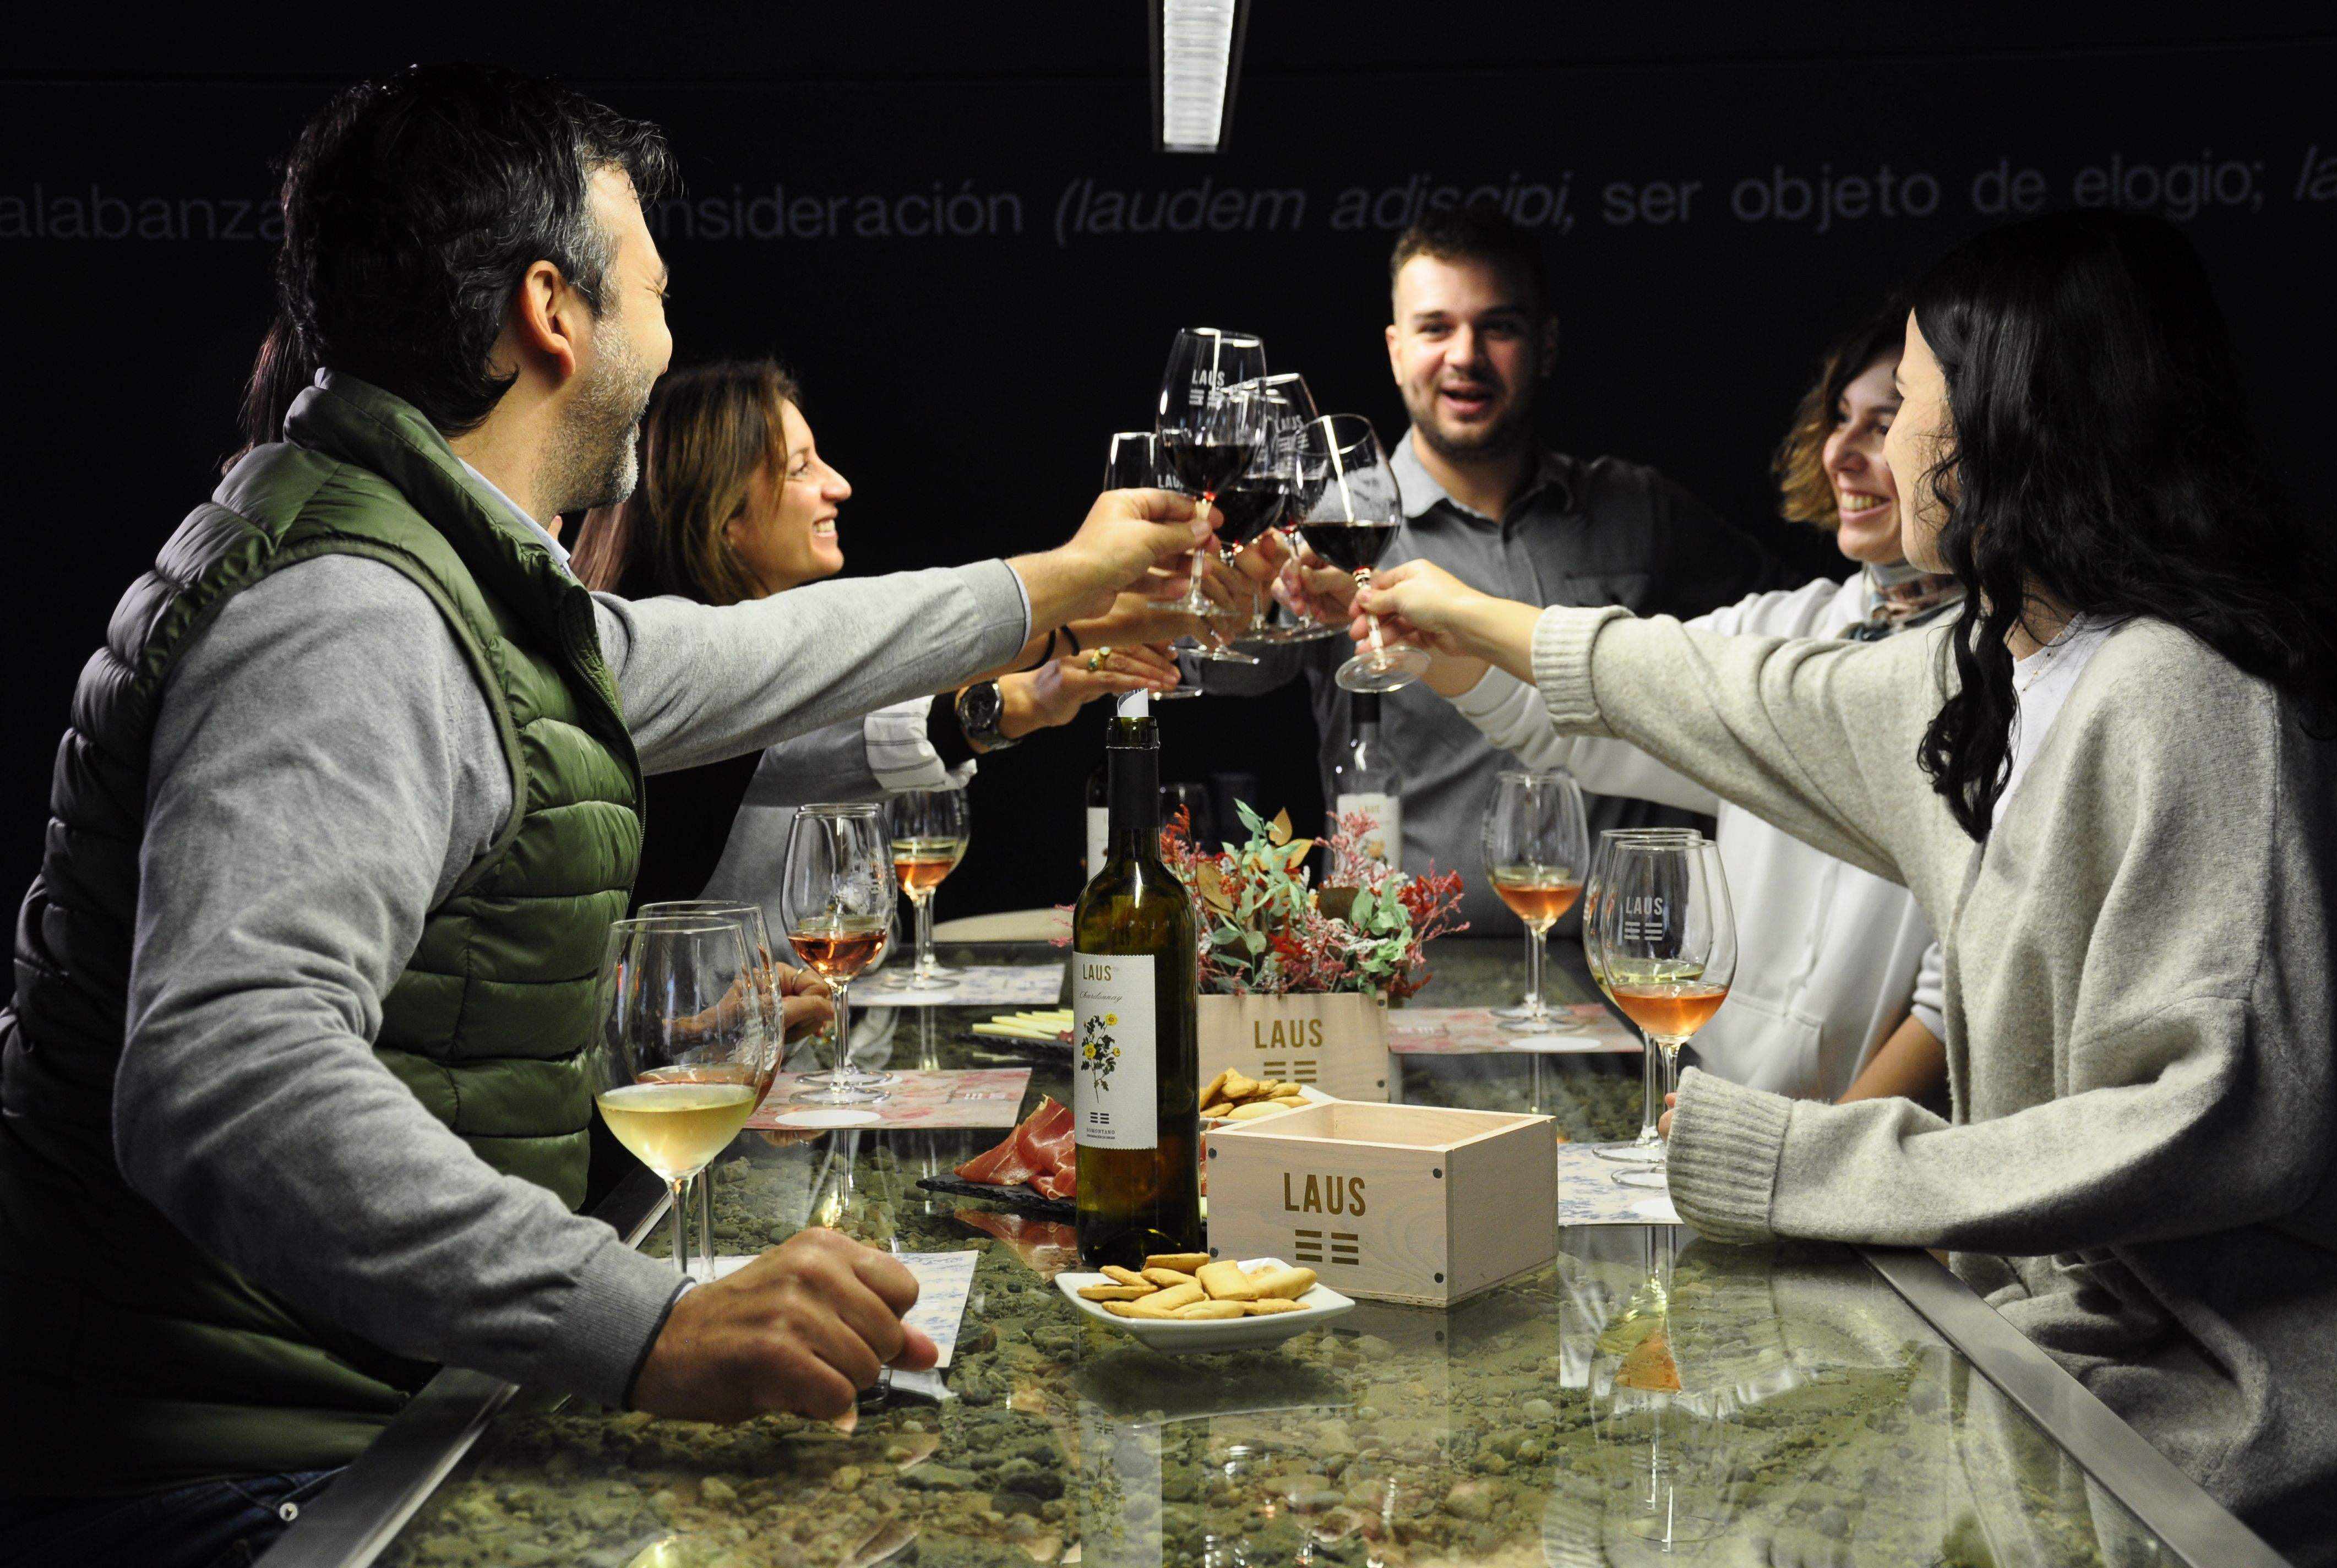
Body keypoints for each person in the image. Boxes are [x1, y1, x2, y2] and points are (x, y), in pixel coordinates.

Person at [0, 64, 1208, 1564]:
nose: (668, 334)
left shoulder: (443, 576)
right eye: (654, 290)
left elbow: (750, 655)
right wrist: (647, 1322)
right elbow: (222, 1078)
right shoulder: (352, 615)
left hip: (339, 1432)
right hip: (245, 1489)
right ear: (551, 312)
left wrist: (1050, 585)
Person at [1353, 210, 2337, 1562]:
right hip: (2043, 1350)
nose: (1872, 449)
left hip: (2198, 1427)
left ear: (2001, 421)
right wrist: (1462, 615)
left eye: (1908, 403)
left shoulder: (2187, 694)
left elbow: (2209, 1121)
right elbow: (1724, 687)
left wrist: (1801, 1160)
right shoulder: (2000, 665)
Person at [1414, 299, 1958, 1104]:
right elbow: (1583, 721)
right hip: (1715, 1101)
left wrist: (1822, 1155)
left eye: (1884, 424)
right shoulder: (1780, 624)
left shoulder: (1998, 665)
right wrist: (1424, 645)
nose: (1841, 454)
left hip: (1871, 1143)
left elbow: (1957, 992)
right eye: (1840, 418)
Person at [1234, 201, 1789, 934]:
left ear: (1546, 344)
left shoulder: (1642, 512)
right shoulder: (1328, 531)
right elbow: (1231, 668)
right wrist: (1242, 594)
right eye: (1435, 328)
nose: (1465, 355)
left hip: (1631, 971)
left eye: (1497, 327)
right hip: (1413, 967)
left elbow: (1793, 673)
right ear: (1396, 351)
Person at [566, 357, 1187, 930]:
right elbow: (857, 684)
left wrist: (1059, 661)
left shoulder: (718, 690)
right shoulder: (674, 671)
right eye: (800, 467)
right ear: (723, 511)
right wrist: (1083, 594)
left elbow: (843, 728)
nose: (840, 485)